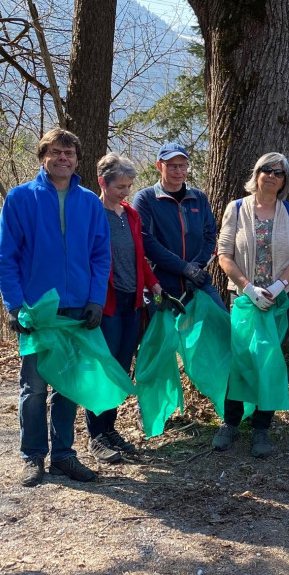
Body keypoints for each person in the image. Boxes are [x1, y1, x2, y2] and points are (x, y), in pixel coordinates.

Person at [0, 128, 110, 486]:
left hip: (77, 310)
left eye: (69, 153)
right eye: (56, 152)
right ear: (43, 157)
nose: (63, 158)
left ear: (77, 160)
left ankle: (63, 456)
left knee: (68, 387)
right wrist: (14, 305)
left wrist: (96, 299)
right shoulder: (20, 198)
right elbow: (5, 258)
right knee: (34, 388)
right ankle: (32, 456)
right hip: (38, 311)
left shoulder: (89, 202)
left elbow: (100, 255)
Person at [86, 153, 178, 464]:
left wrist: (155, 285)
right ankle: (95, 435)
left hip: (133, 301)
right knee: (106, 367)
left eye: (128, 186)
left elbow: (140, 258)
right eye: (120, 187)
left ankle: (109, 428)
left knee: (123, 367)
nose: (125, 192)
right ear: (103, 182)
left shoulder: (131, 215)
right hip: (107, 303)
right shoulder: (93, 214)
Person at [215, 152, 289, 457]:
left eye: (279, 172)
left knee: (268, 361)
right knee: (239, 360)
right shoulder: (236, 208)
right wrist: (248, 287)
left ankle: (262, 428)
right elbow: (224, 254)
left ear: (284, 181)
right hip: (244, 299)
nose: (272, 175)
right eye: (266, 169)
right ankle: (230, 423)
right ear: (256, 174)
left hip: (279, 300)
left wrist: (278, 286)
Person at [132, 142, 222, 307]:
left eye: (183, 165)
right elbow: (147, 241)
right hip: (160, 287)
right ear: (159, 166)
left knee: (222, 321)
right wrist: (184, 269)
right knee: (162, 325)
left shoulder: (199, 198)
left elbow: (210, 236)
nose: (179, 171)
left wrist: (195, 267)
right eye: (172, 166)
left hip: (197, 283)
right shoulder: (146, 198)